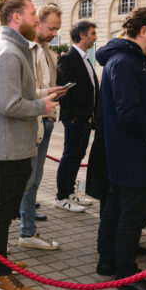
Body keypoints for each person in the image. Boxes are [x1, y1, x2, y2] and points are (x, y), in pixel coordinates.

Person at [0, 0, 60, 290]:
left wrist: (40, 98)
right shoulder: (10, 53)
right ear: (16, 18)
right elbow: (9, 103)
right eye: (32, 14)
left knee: (1, 204)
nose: (36, 20)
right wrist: (41, 105)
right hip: (9, 144)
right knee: (3, 209)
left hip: (11, 142)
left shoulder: (12, 50)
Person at [94, 7, 146, 290]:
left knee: (117, 207)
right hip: (133, 152)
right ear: (142, 31)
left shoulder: (124, 60)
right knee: (131, 213)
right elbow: (128, 111)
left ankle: (108, 262)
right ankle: (126, 272)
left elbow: (130, 104)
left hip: (125, 150)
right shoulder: (126, 61)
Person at [17, 4, 67, 250]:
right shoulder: (23, 50)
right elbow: (22, 92)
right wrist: (47, 95)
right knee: (23, 179)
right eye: (51, 28)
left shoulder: (48, 52)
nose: (55, 33)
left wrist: (53, 108)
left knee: (35, 179)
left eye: (57, 28)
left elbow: (50, 84)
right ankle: (24, 230)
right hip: (29, 122)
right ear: (38, 23)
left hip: (46, 119)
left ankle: (27, 227)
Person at [55, 20, 99, 213]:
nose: (95, 37)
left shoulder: (86, 58)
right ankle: (61, 196)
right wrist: (72, 116)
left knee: (77, 156)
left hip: (86, 118)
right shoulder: (69, 58)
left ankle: (70, 191)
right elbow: (63, 91)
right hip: (75, 118)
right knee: (70, 156)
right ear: (81, 35)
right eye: (92, 33)